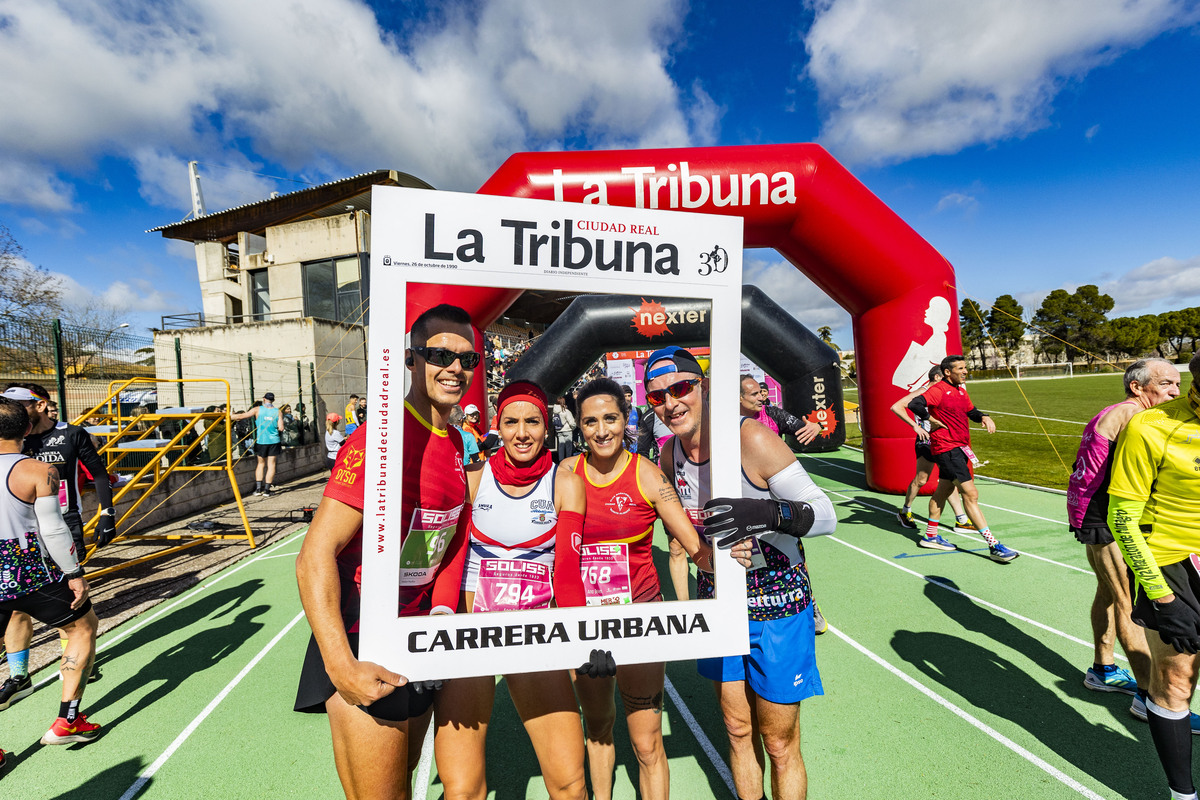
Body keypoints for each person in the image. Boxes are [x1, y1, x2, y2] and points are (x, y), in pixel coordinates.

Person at [294, 303, 478, 800]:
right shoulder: (378, 441)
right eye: (440, 354)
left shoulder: (456, 442)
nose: (455, 368)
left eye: (468, 359)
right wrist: (341, 665)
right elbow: (314, 555)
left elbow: (451, 535)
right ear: (413, 359)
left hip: (416, 636)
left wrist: (440, 608)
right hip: (365, 639)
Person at [647, 346, 837, 800]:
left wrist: (768, 513)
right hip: (721, 602)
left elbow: (826, 515)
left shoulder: (750, 438)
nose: (671, 403)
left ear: (703, 387)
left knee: (778, 740)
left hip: (777, 602)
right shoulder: (669, 453)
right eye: (657, 396)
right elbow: (684, 538)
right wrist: (702, 557)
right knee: (735, 729)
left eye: (681, 388)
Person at [429, 380, 592, 800]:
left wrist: (584, 640)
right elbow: (451, 556)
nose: (522, 433)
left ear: (547, 426)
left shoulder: (565, 482)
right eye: (512, 422)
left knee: (570, 784)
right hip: (471, 637)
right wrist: (440, 621)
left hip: (533, 638)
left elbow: (569, 576)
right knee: (462, 790)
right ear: (497, 426)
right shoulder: (474, 477)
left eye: (533, 422)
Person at [564, 378, 712, 800]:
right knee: (598, 731)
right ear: (580, 426)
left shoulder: (646, 475)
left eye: (610, 418)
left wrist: (732, 563)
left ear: (626, 419)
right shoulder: (567, 473)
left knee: (647, 742)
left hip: (641, 618)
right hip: (586, 625)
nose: (602, 430)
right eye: (590, 422)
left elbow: (692, 545)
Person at [1068, 357, 1190, 727]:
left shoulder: (1123, 411)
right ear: (1138, 387)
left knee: (1107, 591)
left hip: (1093, 508)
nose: (1176, 391)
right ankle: (1147, 694)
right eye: (1166, 383)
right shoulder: (1133, 416)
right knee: (1127, 600)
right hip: (1104, 514)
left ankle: (1102, 670)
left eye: (1178, 383)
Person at [1107, 352, 1200, 800]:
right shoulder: (1151, 426)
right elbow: (1122, 517)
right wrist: (1163, 598)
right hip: (1174, 564)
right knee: (1177, 679)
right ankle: (1183, 793)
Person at [0, 383, 116, 699]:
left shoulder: (71, 434)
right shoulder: (11, 441)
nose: (14, 407)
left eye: (19, 403)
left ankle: (77, 669)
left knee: (74, 613)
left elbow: (100, 474)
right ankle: (20, 676)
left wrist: (107, 511)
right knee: (18, 609)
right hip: (20, 538)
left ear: (39, 405)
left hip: (63, 526)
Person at [906, 355, 1019, 562]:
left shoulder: (960, 391)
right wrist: (930, 419)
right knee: (970, 494)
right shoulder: (938, 390)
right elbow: (914, 404)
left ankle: (930, 536)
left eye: (965, 367)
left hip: (960, 447)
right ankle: (993, 545)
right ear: (948, 372)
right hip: (946, 448)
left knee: (943, 491)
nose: (965, 371)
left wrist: (984, 417)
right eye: (960, 368)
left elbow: (971, 411)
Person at [890, 365, 972, 532]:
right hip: (926, 440)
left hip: (943, 441)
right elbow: (896, 406)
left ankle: (961, 519)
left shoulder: (944, 393)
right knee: (921, 479)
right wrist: (915, 426)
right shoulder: (922, 392)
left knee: (949, 478)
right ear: (936, 378)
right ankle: (905, 511)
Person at [740, 375, 822, 448]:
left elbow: (804, 428)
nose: (761, 398)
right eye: (754, 394)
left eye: (760, 392)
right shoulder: (728, 420)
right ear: (740, 397)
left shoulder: (774, 414)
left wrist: (818, 427)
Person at [231, 392, 285, 497]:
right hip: (274, 441)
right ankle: (267, 490)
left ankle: (258, 489)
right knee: (271, 465)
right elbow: (281, 428)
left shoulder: (257, 409)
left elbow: (242, 416)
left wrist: (230, 416)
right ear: (273, 400)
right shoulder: (278, 411)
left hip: (262, 441)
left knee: (260, 464)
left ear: (264, 399)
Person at [552, 394, 577, 463]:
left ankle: (561, 460)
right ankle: (568, 461)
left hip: (559, 430)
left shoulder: (554, 411)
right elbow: (572, 422)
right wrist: (573, 428)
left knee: (561, 446)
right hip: (567, 430)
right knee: (568, 446)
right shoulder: (566, 411)